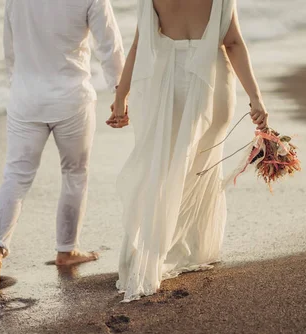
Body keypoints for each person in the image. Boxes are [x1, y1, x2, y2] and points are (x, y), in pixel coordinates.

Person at [107, 0, 268, 301]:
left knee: (162, 168)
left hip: (166, 85)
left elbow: (139, 46)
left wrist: (121, 97)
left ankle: (153, 250)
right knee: (201, 165)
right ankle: (193, 249)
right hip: (212, 84)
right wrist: (255, 99)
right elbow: (232, 44)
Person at [0, 0, 125, 289]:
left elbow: (10, 49)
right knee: (74, 173)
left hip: (25, 98)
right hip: (71, 99)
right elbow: (109, 47)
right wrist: (120, 94)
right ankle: (66, 250)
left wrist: (19, 86)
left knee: (16, 176)